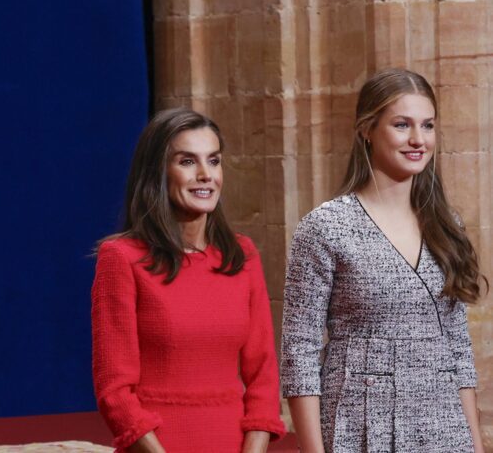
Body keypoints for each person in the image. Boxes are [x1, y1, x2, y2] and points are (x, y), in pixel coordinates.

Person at [281, 68, 486, 452]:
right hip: (359, 426)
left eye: (427, 126)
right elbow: (299, 356)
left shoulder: (446, 224)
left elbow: (458, 348)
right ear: (367, 129)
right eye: (401, 125)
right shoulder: (326, 226)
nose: (417, 139)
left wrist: (474, 444)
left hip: (443, 430)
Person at [91, 108, 285, 452]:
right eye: (186, 162)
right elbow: (115, 391)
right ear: (158, 173)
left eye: (213, 161)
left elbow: (263, 378)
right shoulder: (121, 258)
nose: (205, 175)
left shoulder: (242, 255)